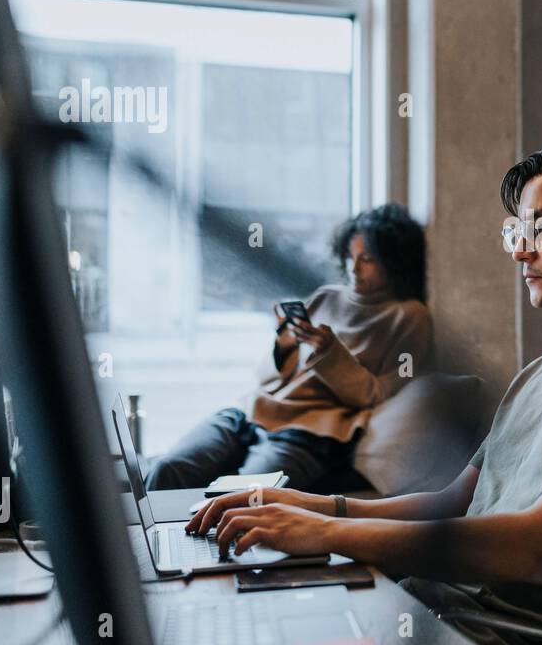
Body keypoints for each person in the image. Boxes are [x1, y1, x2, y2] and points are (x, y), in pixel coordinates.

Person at [187, 142, 542, 645]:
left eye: (539, 227)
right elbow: (451, 504)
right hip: (429, 610)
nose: (519, 250)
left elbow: (533, 550)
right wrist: (313, 507)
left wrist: (327, 535)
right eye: (516, 231)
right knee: (239, 625)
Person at [146, 204, 431, 492]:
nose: (353, 269)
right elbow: (267, 378)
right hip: (251, 411)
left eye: (367, 259)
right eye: (349, 256)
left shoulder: (409, 317)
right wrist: (283, 347)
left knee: (244, 498)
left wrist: (330, 354)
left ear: (395, 263)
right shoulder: (326, 297)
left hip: (310, 432)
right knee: (167, 470)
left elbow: (379, 394)